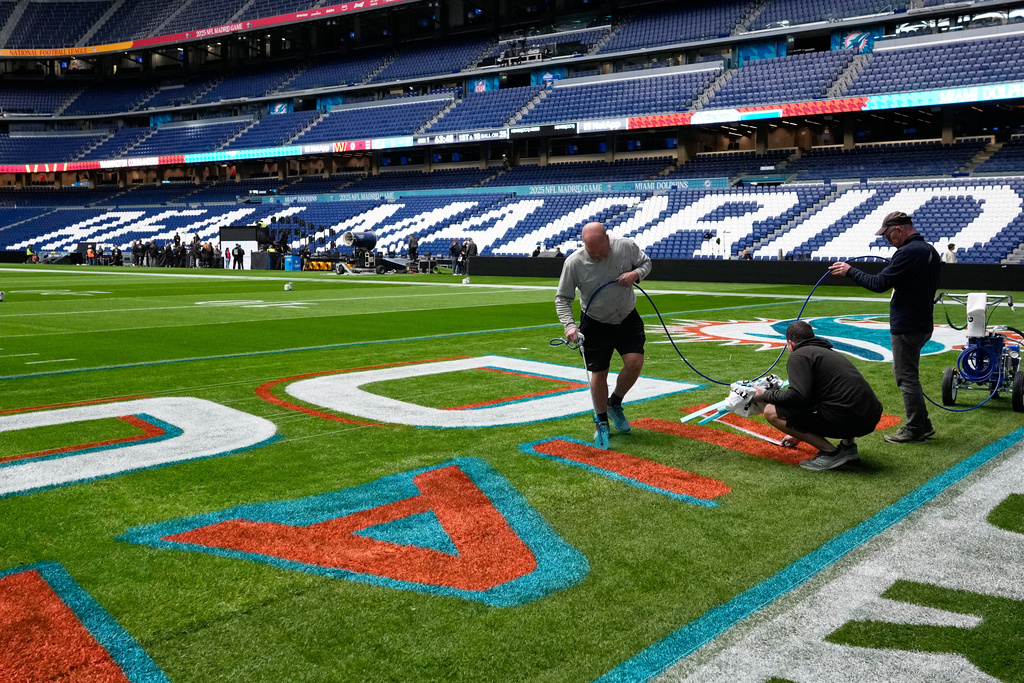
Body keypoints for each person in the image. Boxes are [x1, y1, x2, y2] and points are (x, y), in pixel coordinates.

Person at [829, 210, 941, 443]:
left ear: (899, 230)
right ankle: (923, 423)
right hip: (922, 322)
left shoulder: (907, 252)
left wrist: (850, 271)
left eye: (888, 235)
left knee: (906, 377)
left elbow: (879, 283)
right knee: (910, 375)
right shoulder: (930, 250)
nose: (887, 241)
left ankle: (915, 429)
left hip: (907, 324)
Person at [555, 222, 652, 449]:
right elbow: (562, 298)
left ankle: (614, 404)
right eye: (592, 252)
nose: (597, 255)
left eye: (601, 250)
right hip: (595, 322)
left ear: (607, 239)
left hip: (627, 316)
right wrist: (570, 326)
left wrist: (635, 274)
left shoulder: (626, 247)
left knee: (635, 362)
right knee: (599, 373)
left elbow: (646, 263)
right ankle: (601, 419)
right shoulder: (574, 262)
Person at [754, 321, 883, 471]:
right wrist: (798, 433)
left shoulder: (799, 355)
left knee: (771, 411)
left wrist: (765, 394)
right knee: (840, 397)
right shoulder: (830, 353)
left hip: (848, 418)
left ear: (790, 343)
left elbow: (798, 397)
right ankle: (848, 447)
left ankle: (830, 453)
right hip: (869, 417)